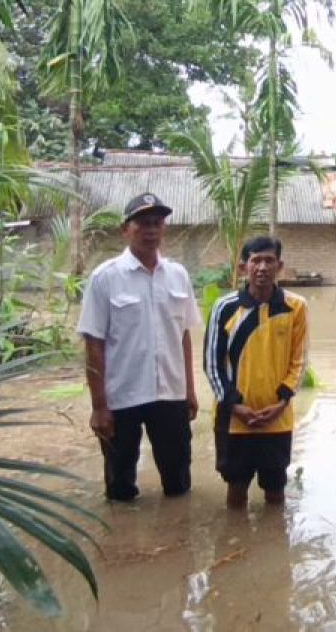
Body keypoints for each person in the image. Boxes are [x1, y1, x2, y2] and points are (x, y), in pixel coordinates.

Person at [77, 192, 202, 502]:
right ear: (126, 229)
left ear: (164, 229)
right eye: (143, 223)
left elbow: (183, 335)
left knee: (179, 487)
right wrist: (98, 406)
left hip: (170, 395)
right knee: (119, 491)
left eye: (157, 223)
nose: (151, 230)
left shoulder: (178, 275)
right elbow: (93, 344)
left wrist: (189, 390)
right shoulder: (104, 278)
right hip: (122, 399)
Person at [204, 236, 308, 509]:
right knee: (235, 492)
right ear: (243, 268)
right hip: (234, 420)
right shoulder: (224, 308)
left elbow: (299, 360)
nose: (262, 267)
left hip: (277, 418)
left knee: (276, 493)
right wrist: (235, 405)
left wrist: (282, 401)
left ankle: (274, 545)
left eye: (269, 260)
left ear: (280, 265)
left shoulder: (295, 307)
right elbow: (212, 364)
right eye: (255, 260)